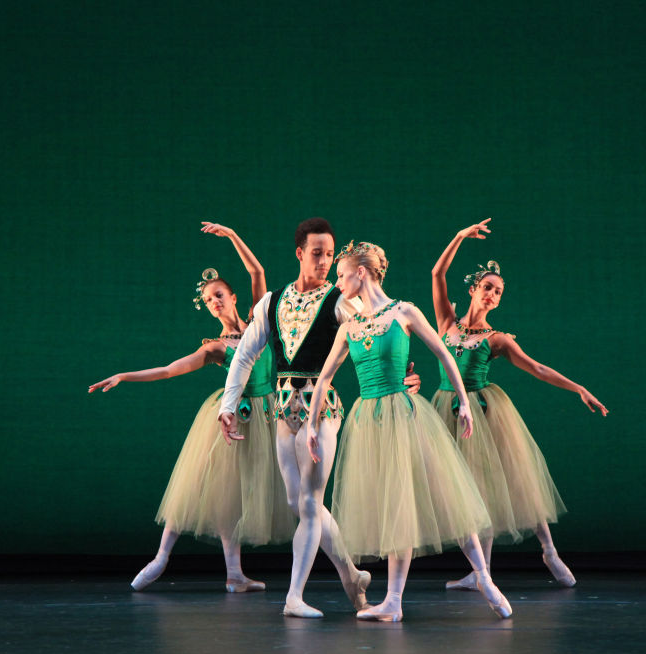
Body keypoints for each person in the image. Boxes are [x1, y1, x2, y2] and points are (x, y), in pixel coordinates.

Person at [217, 218, 421, 618]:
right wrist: (228, 405)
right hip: (281, 410)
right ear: (299, 253)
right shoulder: (271, 302)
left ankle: (294, 596)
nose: (325, 261)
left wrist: (401, 377)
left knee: (310, 502)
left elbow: (378, 330)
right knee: (298, 502)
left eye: (330, 254)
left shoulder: (342, 300)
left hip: (321, 410)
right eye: (317, 253)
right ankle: (350, 573)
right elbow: (245, 355)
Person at [305, 240, 513, 622]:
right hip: (369, 421)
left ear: (361, 273)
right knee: (393, 505)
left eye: (341, 274)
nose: (338, 282)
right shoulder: (350, 325)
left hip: (405, 414)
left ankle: (484, 577)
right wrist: (313, 425)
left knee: (446, 493)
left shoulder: (403, 311)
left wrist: (464, 402)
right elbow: (324, 378)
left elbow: (444, 354)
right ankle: (394, 601)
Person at [88, 223, 294, 592]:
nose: (215, 301)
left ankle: (234, 575)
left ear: (233, 297)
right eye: (209, 299)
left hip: (266, 415)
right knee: (198, 485)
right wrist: (124, 375)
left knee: (236, 497)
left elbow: (257, 272)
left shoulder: (260, 323)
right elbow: (169, 370)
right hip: (231, 415)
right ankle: (162, 556)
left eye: (220, 294)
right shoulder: (215, 348)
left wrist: (232, 237)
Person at [430, 219, 608, 590]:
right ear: (474, 289)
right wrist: (460, 236)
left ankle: (548, 550)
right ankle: (482, 574)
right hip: (447, 410)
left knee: (513, 478)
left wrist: (578, 388)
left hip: (483, 411)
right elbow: (437, 272)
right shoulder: (446, 321)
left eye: (499, 291)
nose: (493, 294)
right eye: (488, 287)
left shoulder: (497, 339)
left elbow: (537, 368)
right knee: (469, 493)